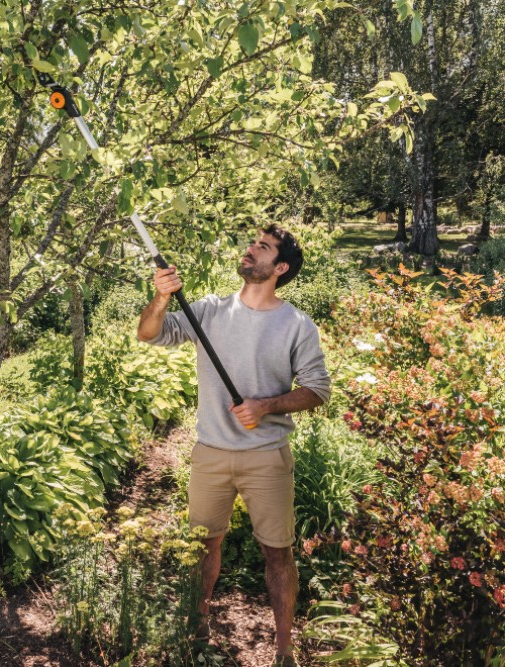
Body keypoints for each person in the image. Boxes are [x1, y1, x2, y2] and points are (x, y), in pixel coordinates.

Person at [137, 225, 331, 667]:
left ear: (280, 268)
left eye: (262, 247)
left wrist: (266, 405)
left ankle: (284, 649)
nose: (251, 249)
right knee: (203, 544)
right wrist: (163, 297)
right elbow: (149, 333)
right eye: (252, 243)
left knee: (277, 553)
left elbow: (318, 390)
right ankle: (197, 628)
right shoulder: (209, 310)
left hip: (267, 456)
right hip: (211, 452)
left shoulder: (296, 325)